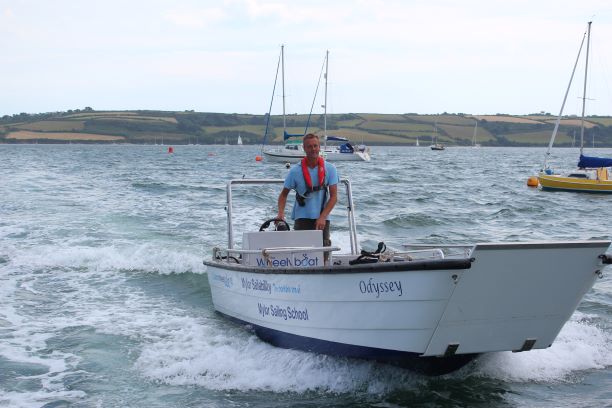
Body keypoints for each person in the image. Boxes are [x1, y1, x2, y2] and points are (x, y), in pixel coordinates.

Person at [277, 133, 339, 253]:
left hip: (322, 217)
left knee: (323, 251)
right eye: (309, 146)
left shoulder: (330, 169)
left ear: (319, 147)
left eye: (315, 146)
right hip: (302, 217)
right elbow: (283, 194)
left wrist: (323, 217)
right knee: (301, 251)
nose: (313, 149)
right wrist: (280, 213)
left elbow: (334, 197)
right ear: (304, 148)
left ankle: (324, 268)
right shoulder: (295, 171)